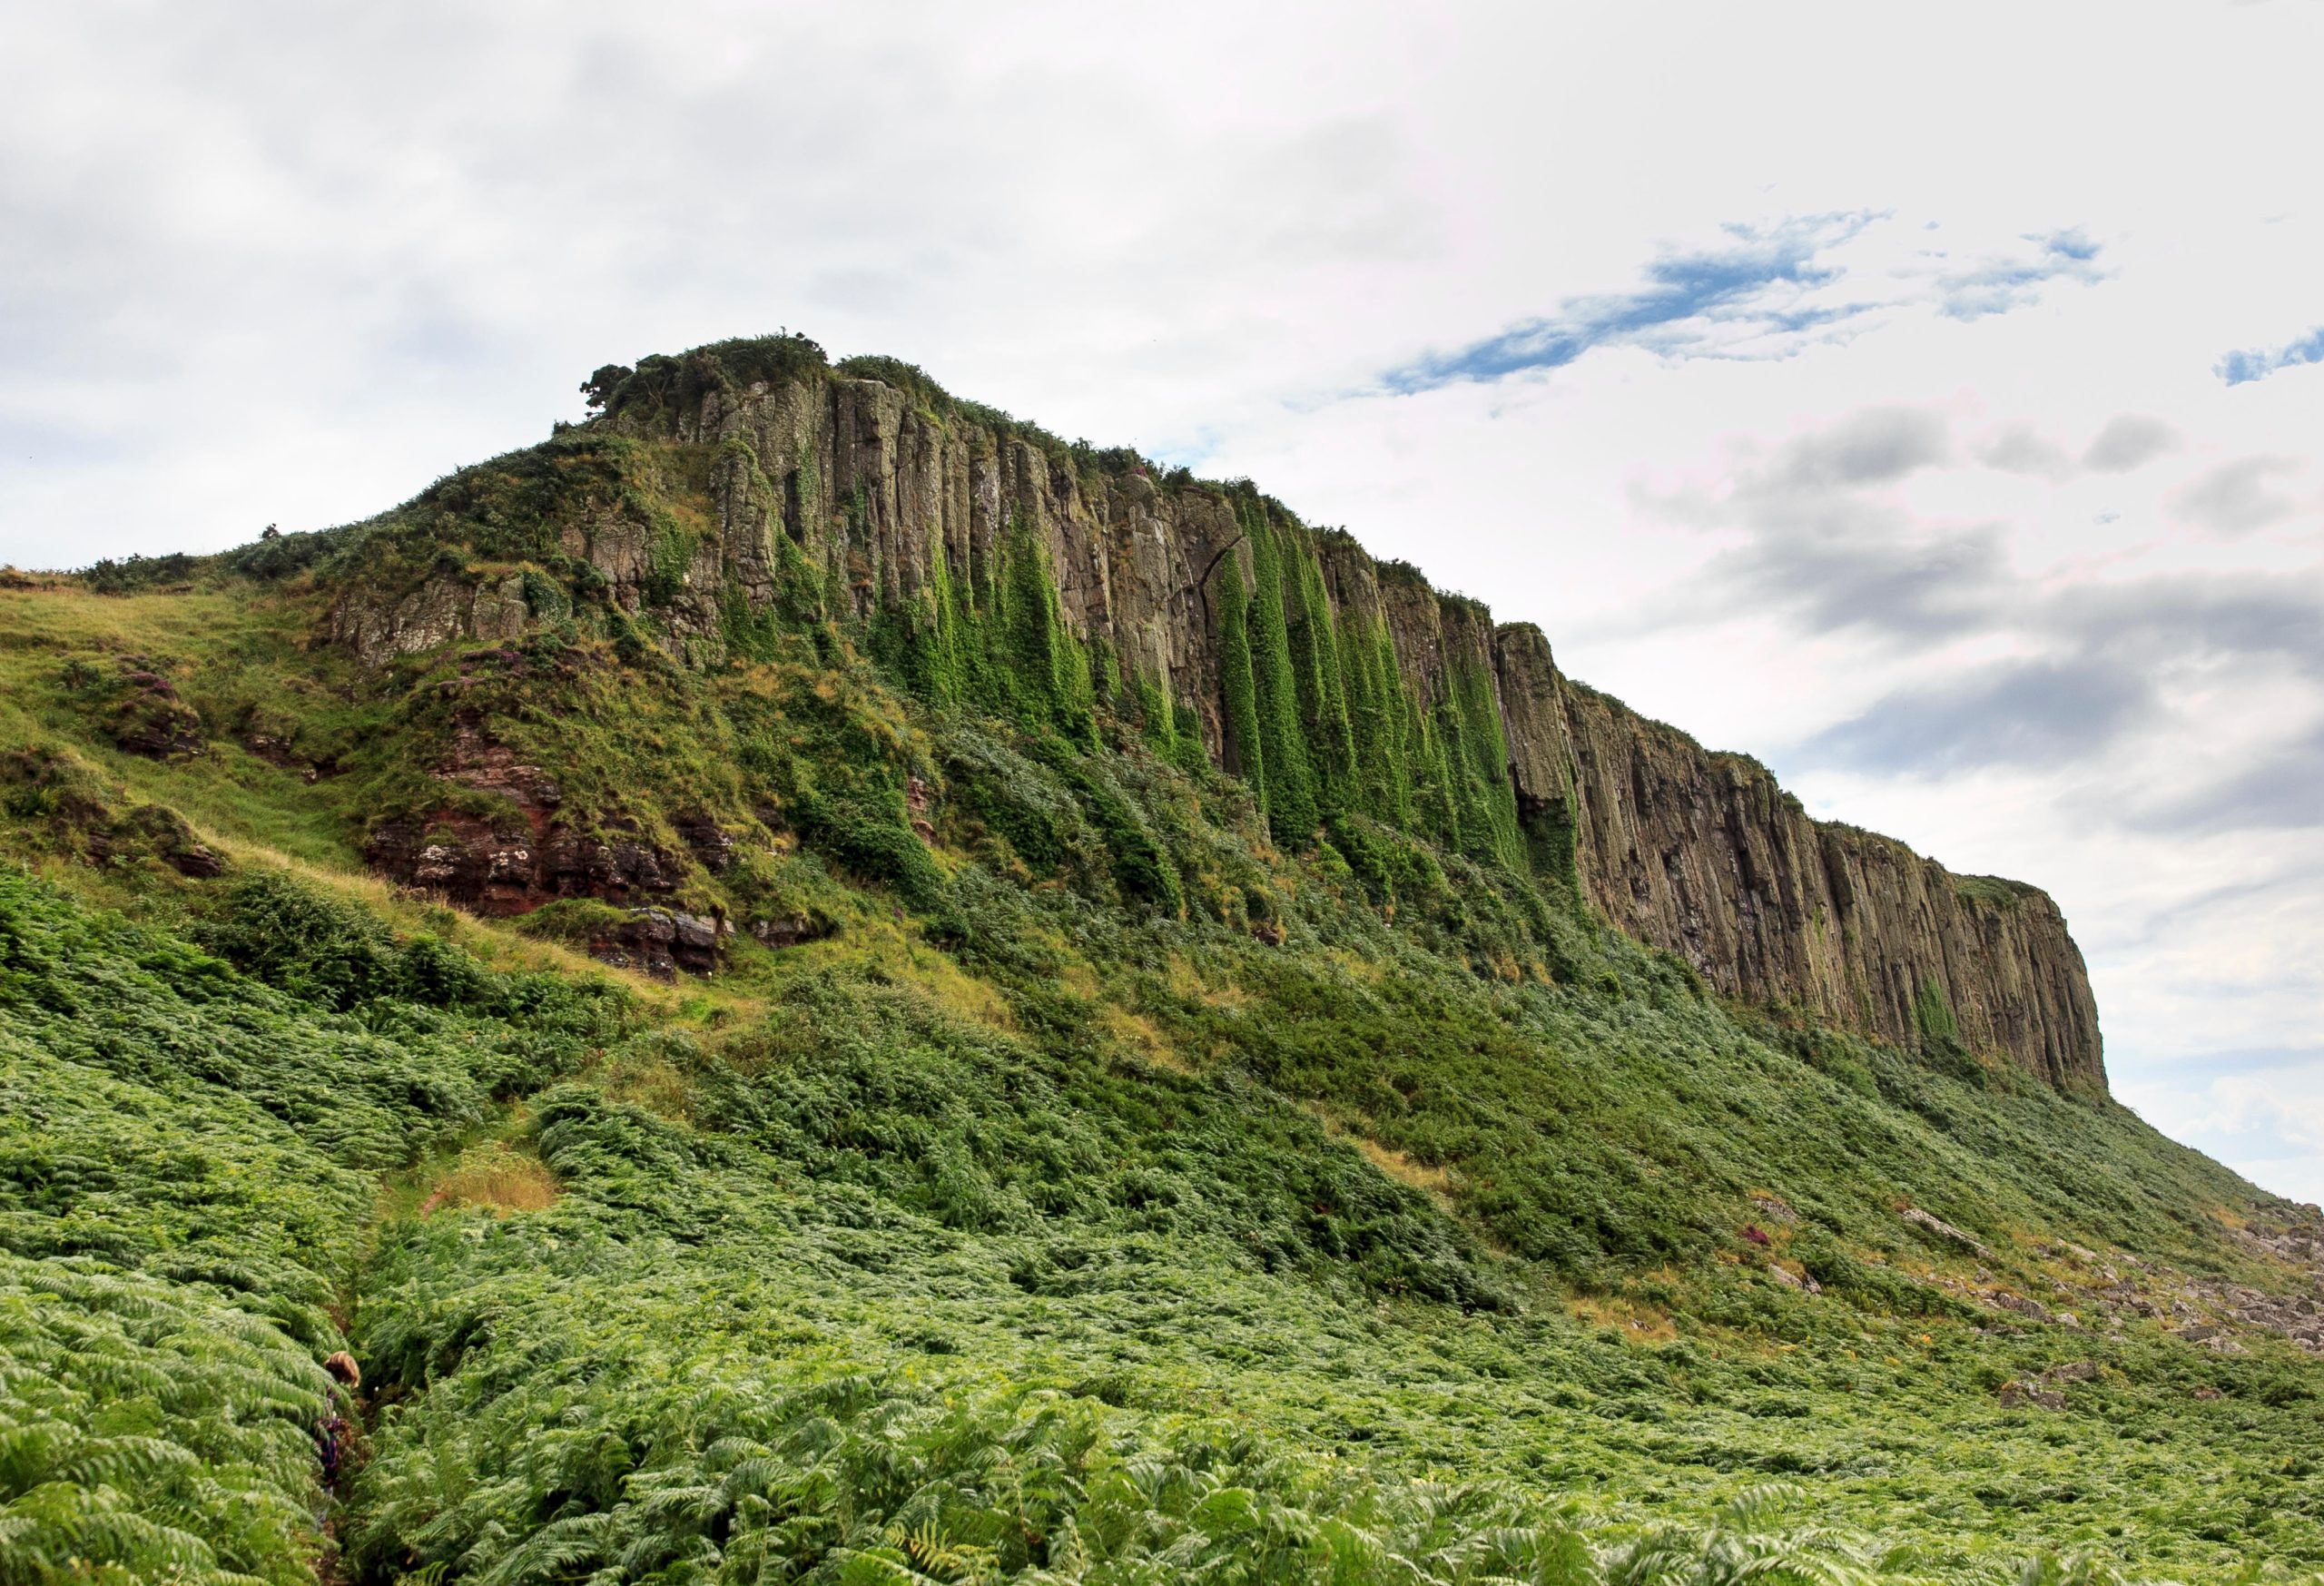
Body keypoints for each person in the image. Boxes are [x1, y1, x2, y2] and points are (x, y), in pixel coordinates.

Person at [316, 1352, 360, 1488]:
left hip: (323, 1460)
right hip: (321, 1458)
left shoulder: (322, 1380)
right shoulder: (327, 1386)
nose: (345, 1383)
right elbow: (320, 1421)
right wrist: (336, 1422)